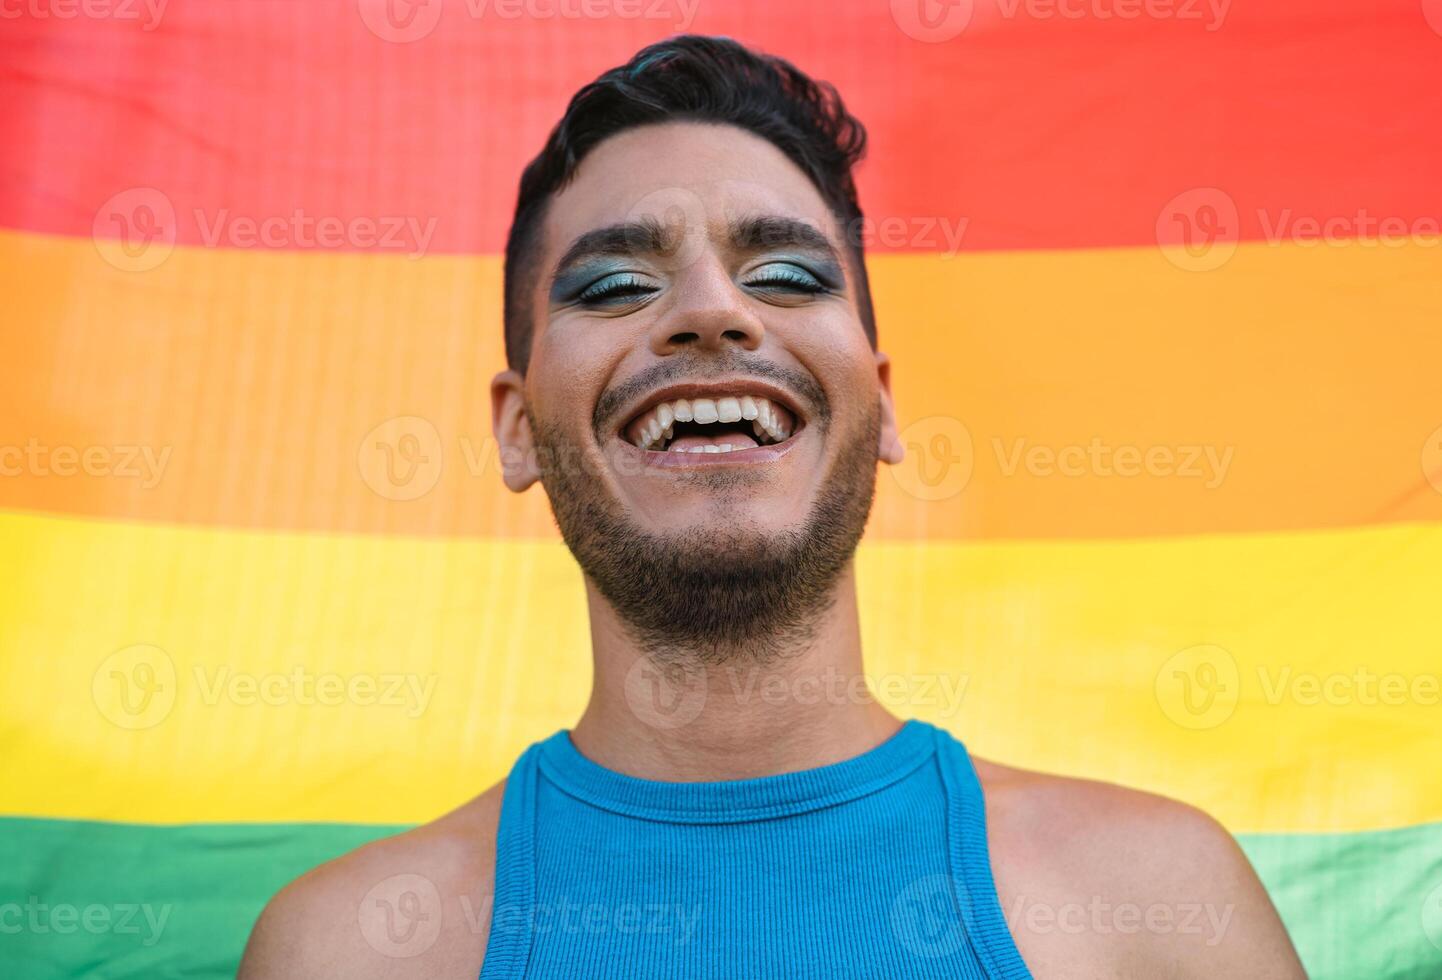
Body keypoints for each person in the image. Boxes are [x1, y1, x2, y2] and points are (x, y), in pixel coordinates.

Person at [239, 34, 1306, 978]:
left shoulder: (1160, 908)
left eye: (788, 274)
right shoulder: (346, 949)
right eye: (614, 287)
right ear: (516, 428)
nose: (710, 310)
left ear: (880, 405)